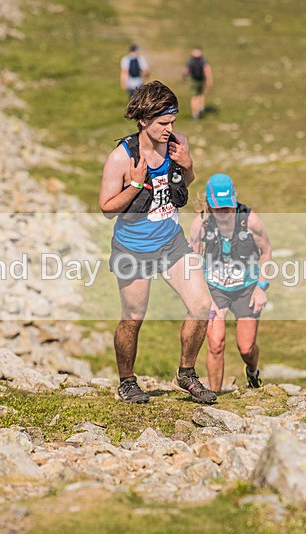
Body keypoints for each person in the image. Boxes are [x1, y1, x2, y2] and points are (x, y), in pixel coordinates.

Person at [99, 80, 216, 404]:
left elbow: (186, 182)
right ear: (143, 120)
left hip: (171, 243)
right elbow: (107, 208)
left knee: (201, 305)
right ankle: (127, 381)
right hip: (133, 249)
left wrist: (188, 165)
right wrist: (136, 183)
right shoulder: (121, 158)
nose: (170, 129)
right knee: (133, 318)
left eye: (173, 122)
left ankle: (187, 375)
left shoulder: (178, 143)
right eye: (163, 123)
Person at [189, 174, 272, 393]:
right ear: (209, 204)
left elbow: (266, 252)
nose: (224, 213)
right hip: (215, 288)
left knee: (246, 348)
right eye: (219, 208)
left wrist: (261, 288)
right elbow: (194, 262)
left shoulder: (250, 220)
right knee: (215, 343)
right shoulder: (200, 224)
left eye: (228, 207)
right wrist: (203, 296)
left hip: (247, 288)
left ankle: (253, 373)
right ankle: (215, 396)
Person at [181, 47, 213, 120]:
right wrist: (209, 80)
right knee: (200, 94)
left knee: (194, 96)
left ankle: (195, 113)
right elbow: (207, 69)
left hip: (193, 80)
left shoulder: (190, 59)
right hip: (201, 79)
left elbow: (186, 69)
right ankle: (200, 108)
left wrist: (184, 77)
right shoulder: (203, 59)